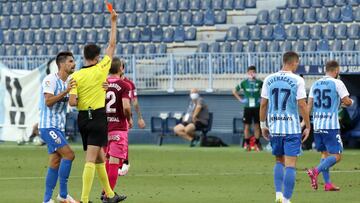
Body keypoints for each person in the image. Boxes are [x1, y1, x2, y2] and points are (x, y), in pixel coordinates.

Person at [69, 9, 125, 203]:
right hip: (98, 117)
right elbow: (112, 44)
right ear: (97, 57)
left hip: (82, 118)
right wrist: (113, 22)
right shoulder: (101, 70)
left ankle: (109, 195)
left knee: (100, 156)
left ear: (84, 56)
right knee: (91, 159)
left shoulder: (75, 76)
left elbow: (73, 101)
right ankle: (84, 200)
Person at [259, 51, 310, 203]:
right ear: (294, 63)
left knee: (279, 161)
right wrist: (307, 125)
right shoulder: (297, 80)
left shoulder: (269, 79)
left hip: (275, 127)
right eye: (297, 63)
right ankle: (287, 200)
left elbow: (263, 104)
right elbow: (302, 104)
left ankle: (278, 195)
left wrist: (263, 125)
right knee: (291, 165)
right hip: (292, 129)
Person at [306, 60, 354, 191]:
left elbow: (308, 105)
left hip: (317, 125)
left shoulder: (315, 84)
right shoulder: (337, 82)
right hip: (330, 125)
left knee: (325, 155)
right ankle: (315, 171)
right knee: (337, 156)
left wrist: (305, 123)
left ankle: (327, 184)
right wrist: (350, 101)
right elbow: (346, 101)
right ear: (336, 70)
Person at [39, 51, 78, 203]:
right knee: (69, 155)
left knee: (55, 161)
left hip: (58, 128)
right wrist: (67, 91)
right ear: (61, 64)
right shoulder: (51, 80)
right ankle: (63, 195)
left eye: (73, 61)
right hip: (48, 127)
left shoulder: (68, 81)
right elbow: (48, 102)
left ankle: (47, 200)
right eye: (70, 61)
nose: (73, 64)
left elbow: (73, 102)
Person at [102, 57, 132, 199]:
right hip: (118, 127)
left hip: (103, 127)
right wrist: (129, 118)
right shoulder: (125, 85)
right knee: (115, 162)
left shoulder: (102, 84)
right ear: (121, 69)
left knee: (108, 161)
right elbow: (126, 106)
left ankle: (106, 192)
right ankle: (108, 195)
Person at [116, 60, 145, 176]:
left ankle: (124, 163)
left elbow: (135, 102)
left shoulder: (129, 84)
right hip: (111, 116)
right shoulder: (109, 82)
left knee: (122, 139)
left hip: (123, 116)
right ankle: (117, 163)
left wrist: (139, 117)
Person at [233, 66, 263, 151]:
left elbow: (266, 90)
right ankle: (247, 144)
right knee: (247, 126)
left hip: (257, 107)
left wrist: (262, 99)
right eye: (250, 72)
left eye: (253, 72)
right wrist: (241, 100)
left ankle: (257, 144)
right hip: (247, 107)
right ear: (247, 73)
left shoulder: (259, 82)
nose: (252, 74)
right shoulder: (244, 83)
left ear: (255, 73)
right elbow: (234, 91)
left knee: (257, 126)